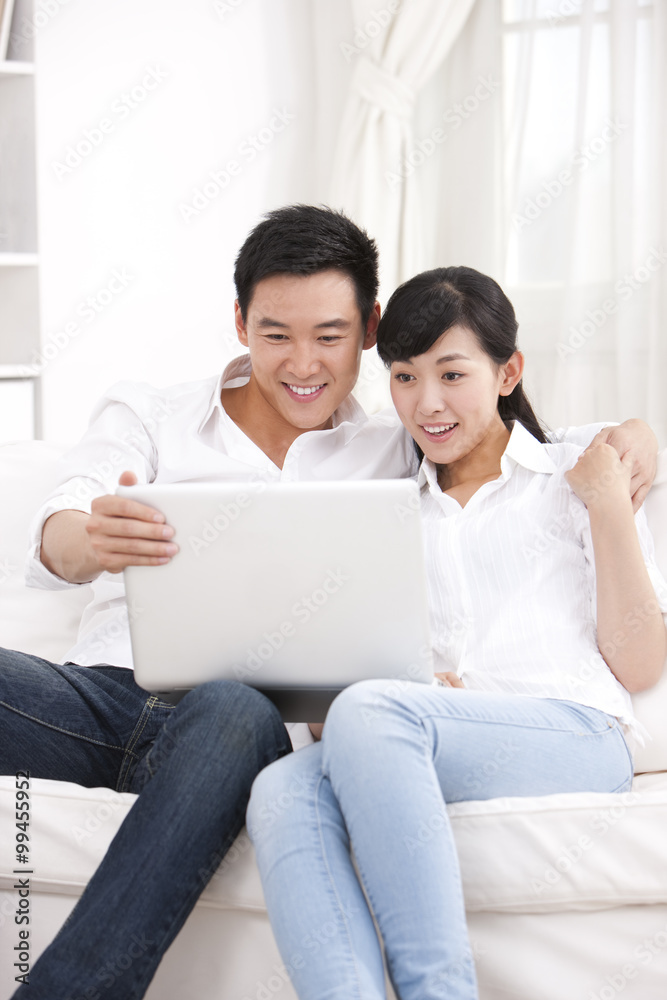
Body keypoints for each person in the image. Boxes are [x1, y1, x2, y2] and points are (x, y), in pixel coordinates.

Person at [0, 209, 656, 999]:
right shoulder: (163, 416)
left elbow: (541, 443)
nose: (303, 362)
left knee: (262, 710)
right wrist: (91, 541)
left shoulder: (413, 450)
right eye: (276, 334)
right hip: (108, 698)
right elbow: (60, 528)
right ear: (240, 323)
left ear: (367, 330)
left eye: (331, 335)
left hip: (241, 725)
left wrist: (633, 441)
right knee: (284, 783)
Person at [246, 265, 667, 1000]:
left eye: (451, 374)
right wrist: (400, 686)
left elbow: (638, 662)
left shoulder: (578, 474)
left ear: (508, 372)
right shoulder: (384, 516)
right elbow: (329, 727)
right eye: (404, 378)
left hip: (574, 731)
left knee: (374, 713)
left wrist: (605, 505)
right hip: (431, 733)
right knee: (283, 786)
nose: (427, 404)